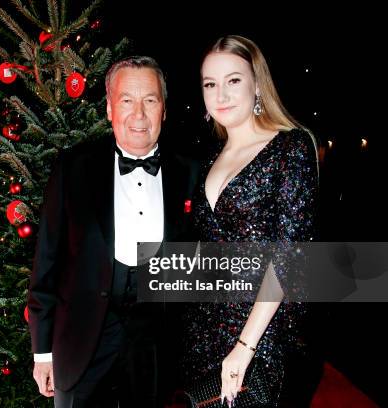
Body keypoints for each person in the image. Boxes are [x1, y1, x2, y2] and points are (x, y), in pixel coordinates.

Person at [28, 56, 198, 407]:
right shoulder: (73, 168)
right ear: (109, 108)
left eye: (150, 100)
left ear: (164, 110)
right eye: (126, 100)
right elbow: (46, 263)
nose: (139, 113)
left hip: (154, 347)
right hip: (83, 342)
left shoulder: (190, 174)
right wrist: (42, 351)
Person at [183, 35, 319, 406]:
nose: (220, 94)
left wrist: (245, 347)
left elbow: (289, 258)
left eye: (233, 80)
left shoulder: (291, 147)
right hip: (206, 332)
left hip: (264, 336)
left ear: (257, 84)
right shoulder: (210, 157)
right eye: (210, 84)